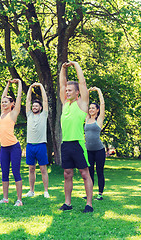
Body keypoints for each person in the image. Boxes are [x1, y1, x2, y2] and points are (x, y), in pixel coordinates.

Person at [58, 61, 94, 213]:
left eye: (70, 90)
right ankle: (67, 203)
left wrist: (76, 65)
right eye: (67, 91)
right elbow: (61, 85)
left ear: (77, 92)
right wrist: (63, 69)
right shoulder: (65, 103)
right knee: (67, 174)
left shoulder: (82, 103)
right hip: (65, 144)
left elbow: (83, 83)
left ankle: (89, 204)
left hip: (78, 144)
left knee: (85, 173)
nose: (67, 92)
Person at [0, 78, 23, 206]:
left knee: (16, 172)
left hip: (14, 147)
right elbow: (3, 95)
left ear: (11, 104)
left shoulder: (13, 113)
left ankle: (19, 200)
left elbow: (19, 97)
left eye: (6, 102)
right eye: (2, 102)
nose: (3, 103)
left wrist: (19, 84)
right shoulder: (2, 113)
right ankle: (5, 198)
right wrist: (7, 84)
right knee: (4, 173)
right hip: (4, 148)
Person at [24, 82, 50, 198]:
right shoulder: (29, 115)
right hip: (30, 146)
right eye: (33, 106)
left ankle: (45, 191)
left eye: (36, 106)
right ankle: (31, 191)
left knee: (43, 169)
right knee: (31, 169)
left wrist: (41, 86)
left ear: (40, 108)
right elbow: (27, 101)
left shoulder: (44, 115)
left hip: (41, 145)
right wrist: (30, 88)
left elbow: (45, 100)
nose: (34, 107)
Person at [85, 87, 106, 201]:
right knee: (89, 172)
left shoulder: (99, 120)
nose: (91, 109)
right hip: (88, 150)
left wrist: (98, 90)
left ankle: (100, 193)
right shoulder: (87, 118)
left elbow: (102, 104)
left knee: (99, 171)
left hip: (99, 150)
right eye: (90, 108)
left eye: (93, 108)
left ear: (97, 110)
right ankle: (89, 194)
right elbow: (85, 102)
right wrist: (87, 93)